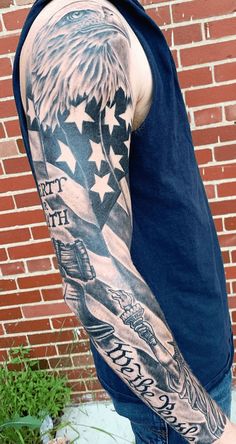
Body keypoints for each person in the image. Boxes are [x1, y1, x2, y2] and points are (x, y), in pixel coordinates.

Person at [12, 0, 236, 442]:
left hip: (192, 355)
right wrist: (214, 432)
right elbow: (92, 277)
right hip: (179, 399)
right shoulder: (83, 36)